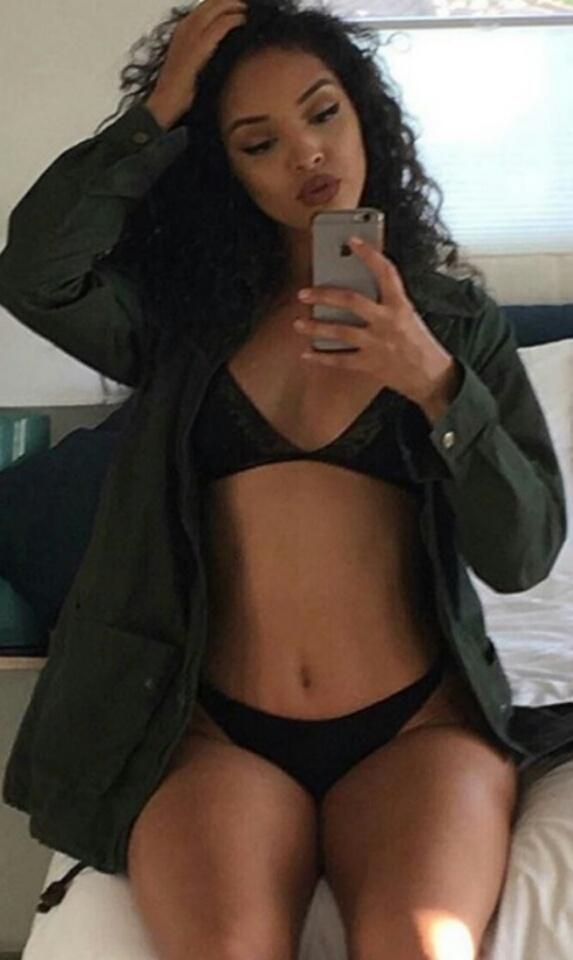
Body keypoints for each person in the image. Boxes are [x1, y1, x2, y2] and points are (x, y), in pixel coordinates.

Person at [1, 1, 572, 959]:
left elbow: (520, 556)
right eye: (257, 142)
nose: (306, 153)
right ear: (221, 167)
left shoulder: (452, 325)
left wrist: (433, 384)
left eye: (322, 112)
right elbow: (35, 271)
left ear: (363, 116)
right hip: (216, 735)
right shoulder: (180, 327)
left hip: (414, 730)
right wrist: (158, 109)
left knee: (417, 947)